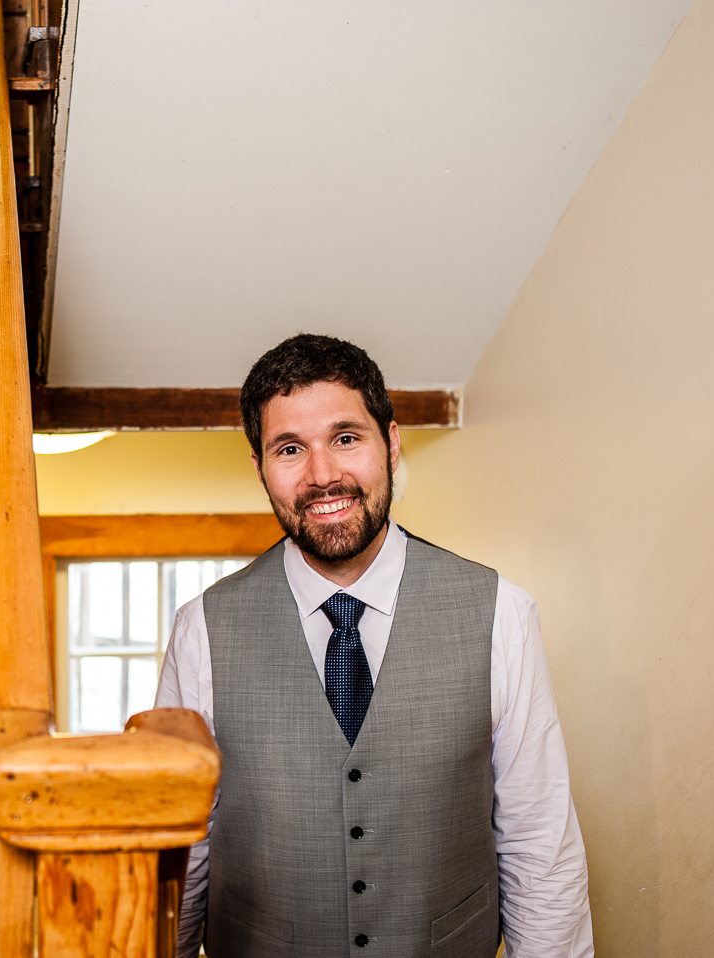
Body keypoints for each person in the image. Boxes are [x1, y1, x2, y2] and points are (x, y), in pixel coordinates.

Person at [155, 334, 593, 957]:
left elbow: (539, 844)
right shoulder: (201, 629)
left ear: (389, 442)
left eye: (345, 438)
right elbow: (182, 846)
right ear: (260, 469)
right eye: (289, 449)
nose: (322, 475)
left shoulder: (501, 614)